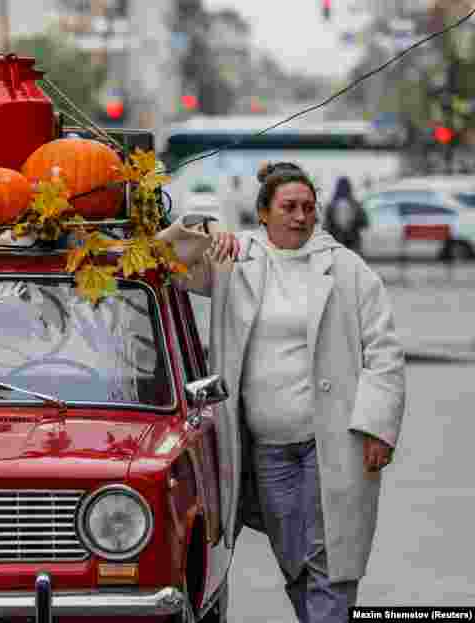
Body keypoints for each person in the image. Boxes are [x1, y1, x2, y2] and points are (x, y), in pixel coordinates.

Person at [160, 161, 406, 621]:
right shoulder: (234, 259)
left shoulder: (348, 270)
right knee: (293, 557)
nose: (300, 216)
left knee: (327, 557)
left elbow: (385, 351)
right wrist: (202, 226)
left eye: (308, 208)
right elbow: (163, 265)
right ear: (263, 213)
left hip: (329, 440)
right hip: (267, 448)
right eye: (289, 207)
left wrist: (378, 428)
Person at [324, 176, 368, 252]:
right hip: (353, 246)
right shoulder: (355, 205)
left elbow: (326, 226)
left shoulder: (331, 206)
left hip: (336, 247)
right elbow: (365, 223)